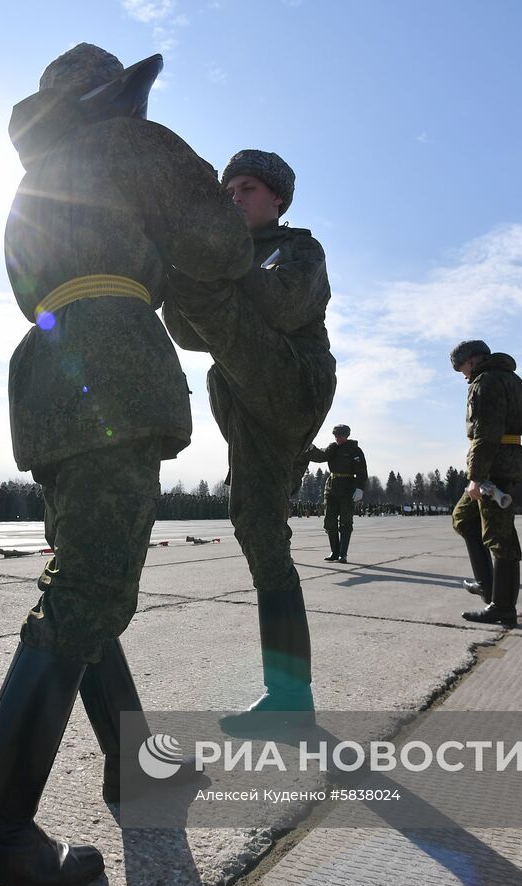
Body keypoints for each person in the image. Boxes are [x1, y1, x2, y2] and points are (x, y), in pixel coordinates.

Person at [0, 43, 252, 886]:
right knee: (89, 587)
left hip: (48, 374)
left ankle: (135, 767)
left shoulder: (29, 180)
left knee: (87, 579)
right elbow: (219, 243)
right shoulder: (128, 142)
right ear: (113, 97)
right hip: (113, 363)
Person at [161, 147, 336, 731]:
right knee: (259, 531)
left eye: (247, 190)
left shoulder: (300, 249)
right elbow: (187, 330)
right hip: (244, 390)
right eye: (228, 190)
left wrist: (213, 262)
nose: (234, 197)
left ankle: (289, 698)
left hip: (291, 376)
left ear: (277, 200)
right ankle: (289, 698)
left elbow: (285, 306)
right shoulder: (227, 259)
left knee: (197, 289)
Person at [449, 339, 522, 627]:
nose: (463, 374)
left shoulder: (485, 382)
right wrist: (511, 429)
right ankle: (486, 586)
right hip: (510, 459)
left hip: (493, 467)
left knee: (500, 537)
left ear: (472, 361)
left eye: (462, 367)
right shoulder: (515, 381)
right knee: (463, 518)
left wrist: (476, 477)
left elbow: (485, 433)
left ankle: (502, 606)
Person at [305, 425, 367, 563]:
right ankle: (335, 551)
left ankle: (343, 554)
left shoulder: (355, 451)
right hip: (332, 487)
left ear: (346, 435)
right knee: (329, 521)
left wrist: (360, 488)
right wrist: (310, 449)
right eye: (336, 436)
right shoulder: (333, 448)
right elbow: (322, 455)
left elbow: (362, 471)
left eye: (340, 436)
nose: (337, 438)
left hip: (347, 487)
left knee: (345, 521)